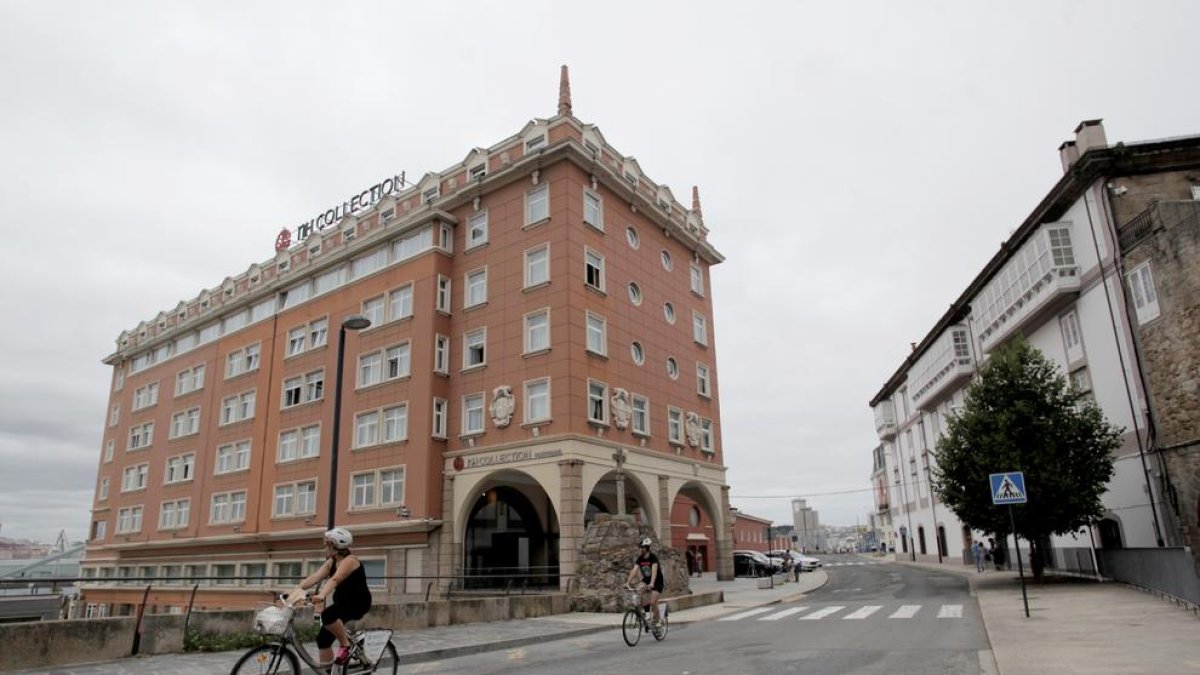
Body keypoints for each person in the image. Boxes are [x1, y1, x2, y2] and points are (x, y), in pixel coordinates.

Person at [288, 527, 372, 667]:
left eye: (327, 543)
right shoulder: (332, 561)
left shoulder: (350, 560)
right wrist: (295, 590)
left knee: (327, 615)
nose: (325, 546)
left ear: (335, 545)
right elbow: (315, 577)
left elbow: (335, 579)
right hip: (342, 603)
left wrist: (321, 595)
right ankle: (328, 672)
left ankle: (345, 645)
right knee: (323, 640)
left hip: (358, 603)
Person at [625, 537, 664, 629]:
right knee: (640, 592)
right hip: (646, 580)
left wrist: (651, 584)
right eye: (640, 547)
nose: (640, 549)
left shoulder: (653, 558)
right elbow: (634, 570)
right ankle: (647, 615)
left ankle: (658, 621)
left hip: (657, 581)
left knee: (653, 601)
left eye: (642, 547)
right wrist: (628, 582)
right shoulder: (640, 558)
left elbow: (654, 572)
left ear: (646, 548)